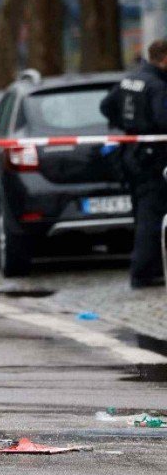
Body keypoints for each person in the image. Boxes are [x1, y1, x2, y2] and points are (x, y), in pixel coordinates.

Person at [100, 39, 167, 288]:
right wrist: (145, 127)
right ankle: (143, 272)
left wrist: (130, 128)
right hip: (152, 158)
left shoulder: (131, 79)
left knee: (142, 215)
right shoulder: (157, 85)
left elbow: (106, 106)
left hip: (132, 155)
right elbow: (163, 121)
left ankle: (152, 268)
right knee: (152, 217)